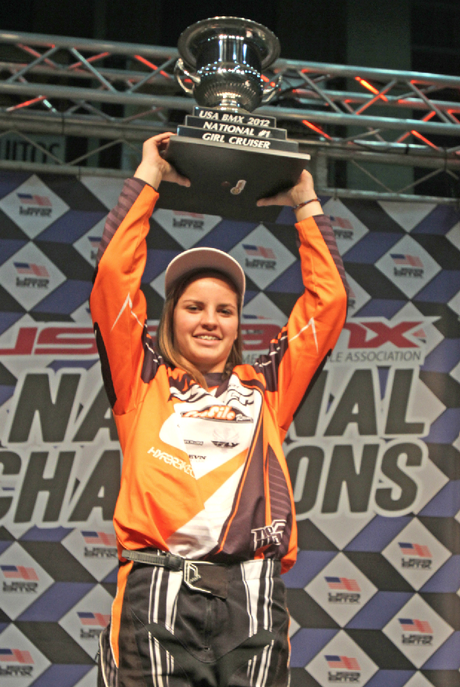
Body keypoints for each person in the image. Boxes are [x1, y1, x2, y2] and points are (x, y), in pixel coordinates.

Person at [90, 132, 348, 687]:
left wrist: (306, 202)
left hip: (252, 594)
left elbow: (328, 306)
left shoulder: (266, 387)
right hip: (156, 592)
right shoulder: (142, 378)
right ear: (171, 316)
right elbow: (112, 279)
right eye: (194, 307)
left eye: (225, 310)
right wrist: (148, 179)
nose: (210, 320)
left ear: (236, 324)